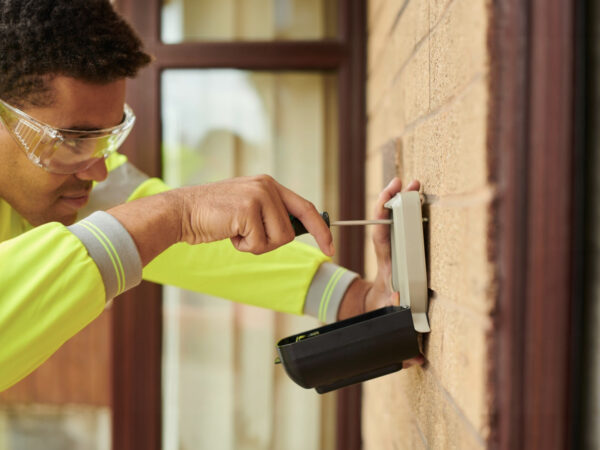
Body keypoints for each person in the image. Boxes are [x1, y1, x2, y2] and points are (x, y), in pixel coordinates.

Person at [0, 0, 422, 392]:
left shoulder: (70, 176)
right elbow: (162, 221)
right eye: (71, 141)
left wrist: (358, 300)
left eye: (105, 141)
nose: (98, 170)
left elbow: (178, 241)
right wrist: (176, 214)